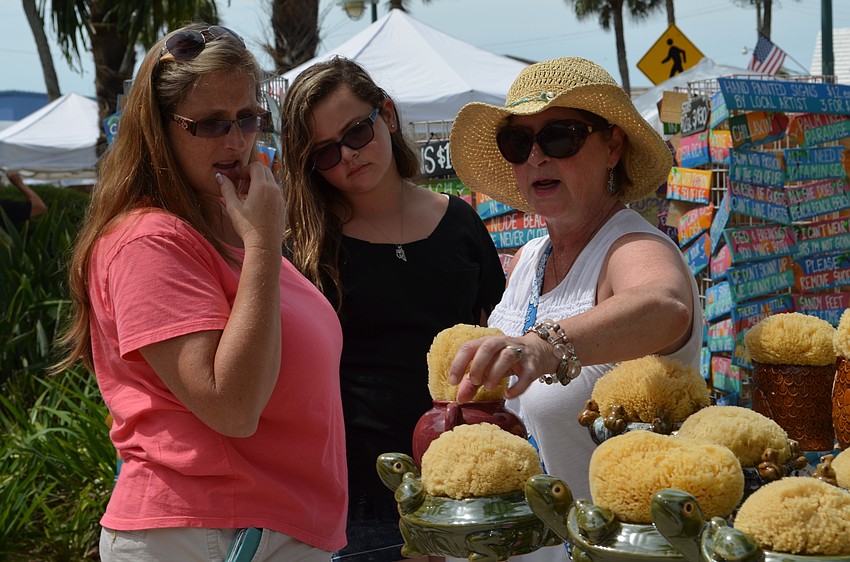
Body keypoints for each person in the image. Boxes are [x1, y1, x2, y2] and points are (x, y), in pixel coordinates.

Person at [55, 23, 347, 561]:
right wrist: (262, 244)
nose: (236, 141)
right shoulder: (148, 239)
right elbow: (232, 407)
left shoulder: (224, 227)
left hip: (253, 528)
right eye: (209, 124)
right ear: (159, 130)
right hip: (207, 532)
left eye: (248, 118)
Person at [446, 57, 703, 561]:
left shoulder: (630, 248)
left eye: (560, 137)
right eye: (518, 143)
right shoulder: (527, 261)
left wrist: (543, 347)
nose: (537, 157)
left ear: (612, 147)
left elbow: (665, 305)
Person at [278, 56, 506, 562]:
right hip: (358, 495)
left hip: (466, 483)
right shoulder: (304, 249)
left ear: (388, 114)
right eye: (324, 153)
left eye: (357, 132)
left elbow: (497, 339)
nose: (348, 157)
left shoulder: (460, 223)